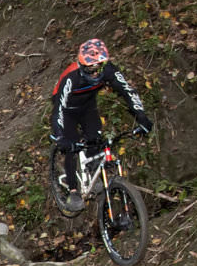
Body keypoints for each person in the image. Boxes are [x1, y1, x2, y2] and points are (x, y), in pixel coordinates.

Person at [49, 39, 152, 201]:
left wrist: (141, 116)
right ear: (82, 66)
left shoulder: (109, 70)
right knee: (72, 145)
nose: (95, 72)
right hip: (67, 110)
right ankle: (73, 190)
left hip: (88, 105)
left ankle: (92, 173)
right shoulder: (71, 77)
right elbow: (59, 109)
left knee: (95, 137)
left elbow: (127, 91)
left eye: (99, 67)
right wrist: (60, 136)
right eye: (90, 68)